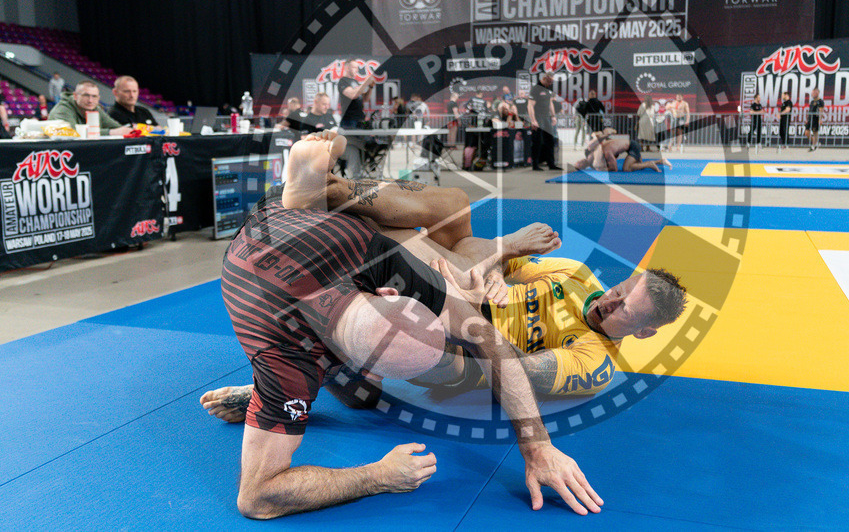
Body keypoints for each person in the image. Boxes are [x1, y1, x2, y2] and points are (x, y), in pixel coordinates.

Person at [209, 133, 601, 519]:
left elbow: (485, 337)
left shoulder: (374, 255)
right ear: (389, 294)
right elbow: (256, 498)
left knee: (451, 214)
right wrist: (376, 477)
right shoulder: (286, 359)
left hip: (308, 243)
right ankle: (321, 191)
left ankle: (324, 189)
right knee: (363, 393)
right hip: (276, 234)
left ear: (389, 294)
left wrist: (539, 449)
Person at [203, 149, 687, 406]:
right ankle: (332, 193)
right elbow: (479, 255)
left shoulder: (596, 363)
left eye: (625, 310)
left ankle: (323, 200)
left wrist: (471, 307)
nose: (610, 303)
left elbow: (515, 368)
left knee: (372, 387)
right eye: (621, 290)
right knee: (455, 209)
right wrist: (498, 265)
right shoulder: (579, 277)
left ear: (644, 332)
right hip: (459, 282)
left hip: (462, 350)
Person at [47, 80, 132, 136]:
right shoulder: (63, 109)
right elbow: (72, 133)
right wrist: (110, 132)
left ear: (98, 98)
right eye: (86, 95)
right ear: (75, 96)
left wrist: (132, 130)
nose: (90, 100)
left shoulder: (95, 108)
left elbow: (116, 127)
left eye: (94, 96)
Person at [574, 128, 672, 173]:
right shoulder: (599, 157)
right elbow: (614, 167)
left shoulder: (595, 151)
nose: (580, 161)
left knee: (627, 168)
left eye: (578, 161)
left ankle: (650, 164)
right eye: (580, 164)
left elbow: (615, 168)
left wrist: (605, 169)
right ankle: (661, 161)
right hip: (631, 146)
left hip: (633, 146)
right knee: (636, 166)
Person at [528, 71, 561, 171]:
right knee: (537, 142)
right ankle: (535, 165)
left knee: (550, 141)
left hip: (547, 118)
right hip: (538, 118)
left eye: (552, 82)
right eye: (550, 81)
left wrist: (553, 116)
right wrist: (533, 120)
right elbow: (530, 105)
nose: (551, 84)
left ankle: (551, 164)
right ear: (545, 79)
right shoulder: (535, 89)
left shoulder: (548, 88)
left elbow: (550, 103)